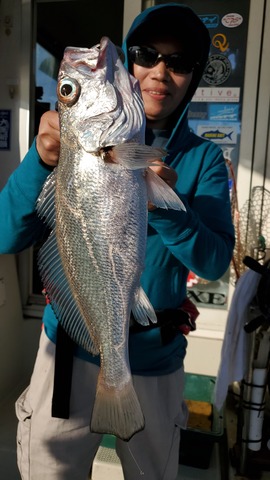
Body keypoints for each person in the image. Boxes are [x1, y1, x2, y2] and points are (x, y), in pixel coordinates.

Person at [0, 3, 235, 479]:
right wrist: (41, 163)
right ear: (130, 62)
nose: (160, 72)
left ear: (193, 76)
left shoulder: (205, 160)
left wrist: (165, 204)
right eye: (147, 54)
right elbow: (7, 236)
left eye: (179, 62)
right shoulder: (65, 147)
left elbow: (213, 261)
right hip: (64, 355)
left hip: (154, 361)